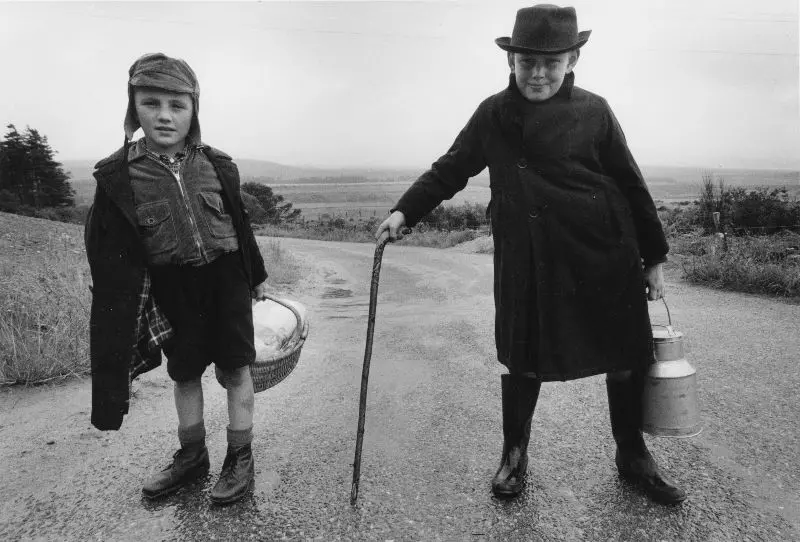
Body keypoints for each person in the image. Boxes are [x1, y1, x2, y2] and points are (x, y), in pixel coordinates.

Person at [376, 5, 686, 504]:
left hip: (602, 251)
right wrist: (403, 212)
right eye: (526, 63)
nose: (537, 74)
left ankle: (633, 454)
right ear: (511, 62)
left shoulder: (595, 111)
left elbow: (631, 183)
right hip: (529, 258)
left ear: (573, 59)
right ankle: (514, 456)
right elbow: (450, 169)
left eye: (551, 62)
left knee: (624, 355)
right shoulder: (493, 115)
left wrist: (653, 256)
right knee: (523, 356)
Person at [84, 53, 269, 505]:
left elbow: (240, 226)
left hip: (226, 282)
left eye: (177, 104)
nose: (165, 115)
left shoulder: (218, 164)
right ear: (133, 109)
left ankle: (239, 456)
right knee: (184, 372)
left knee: (237, 367)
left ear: (194, 110)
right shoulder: (118, 176)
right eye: (151, 103)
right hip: (172, 287)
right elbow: (103, 247)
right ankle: (192, 456)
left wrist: (257, 276)